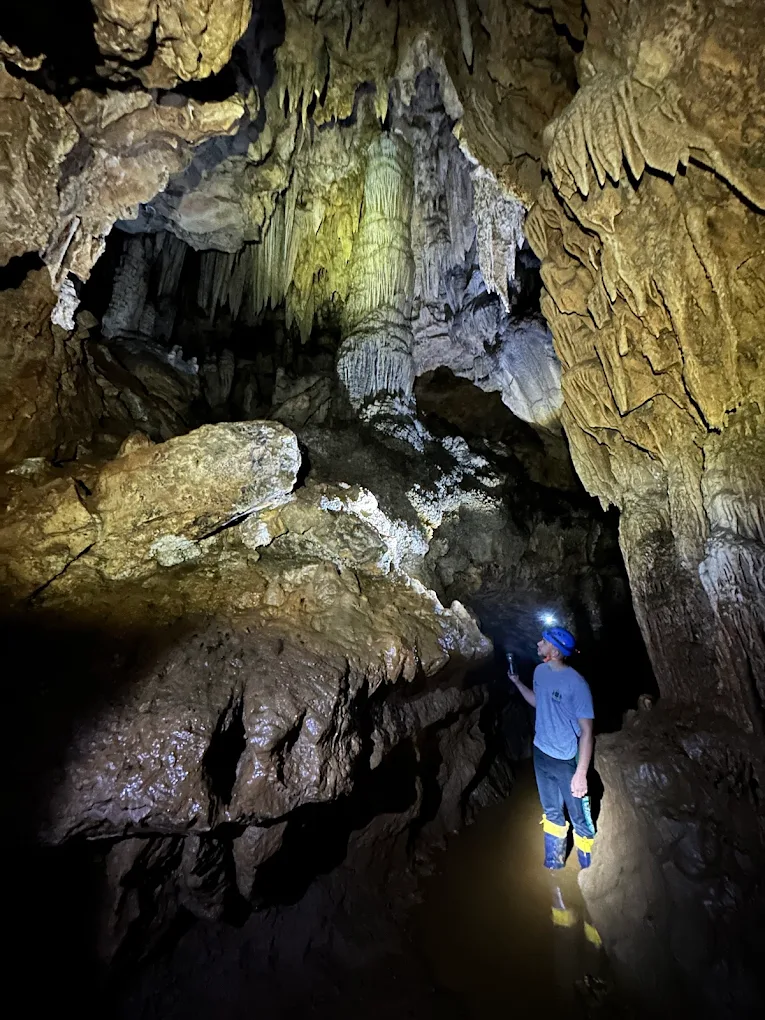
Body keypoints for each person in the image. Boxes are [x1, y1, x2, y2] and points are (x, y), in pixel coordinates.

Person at [509, 627, 596, 870]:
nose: (538, 643)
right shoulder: (539, 671)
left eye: (544, 641)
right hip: (542, 753)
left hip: (567, 757)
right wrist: (517, 683)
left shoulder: (577, 684)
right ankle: (554, 865)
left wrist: (581, 773)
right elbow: (539, 702)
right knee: (551, 811)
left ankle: (589, 870)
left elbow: (587, 731)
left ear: (555, 651)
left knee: (579, 816)